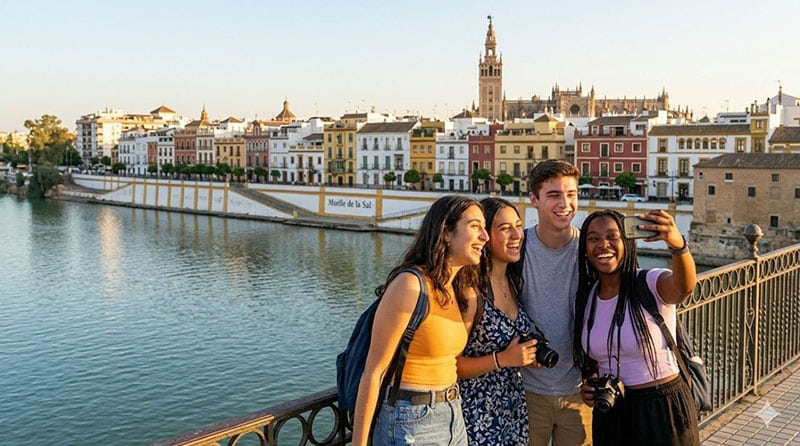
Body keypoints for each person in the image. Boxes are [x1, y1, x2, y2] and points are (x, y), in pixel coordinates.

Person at [351, 195, 489, 446]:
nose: (485, 236)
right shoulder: (410, 285)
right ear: (446, 233)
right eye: (475, 226)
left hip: (452, 415)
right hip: (410, 420)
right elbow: (374, 373)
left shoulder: (453, 289)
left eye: (484, 227)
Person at [574, 209, 699, 446]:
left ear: (628, 243)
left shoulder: (649, 282)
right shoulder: (587, 296)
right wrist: (591, 385)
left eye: (613, 237)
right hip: (612, 411)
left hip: (660, 408)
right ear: (585, 248)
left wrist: (678, 246)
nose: (603, 245)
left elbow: (684, 288)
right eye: (593, 238)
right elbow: (597, 356)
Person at [519, 159, 592, 446]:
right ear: (534, 199)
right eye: (554, 195)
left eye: (571, 194)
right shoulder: (516, 250)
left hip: (580, 392)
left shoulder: (591, 251)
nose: (565, 203)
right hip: (524, 391)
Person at [457, 197, 536, 445]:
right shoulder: (471, 292)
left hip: (511, 412)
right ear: (485, 236)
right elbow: (450, 366)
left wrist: (526, 356)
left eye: (518, 226)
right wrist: (503, 359)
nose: (517, 235)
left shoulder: (514, 282)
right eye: (504, 228)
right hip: (477, 415)